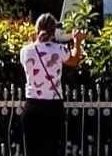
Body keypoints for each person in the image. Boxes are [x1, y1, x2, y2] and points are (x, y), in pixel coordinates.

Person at [20, 13, 84, 156]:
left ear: (36, 29)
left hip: (32, 106)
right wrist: (77, 41)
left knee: (33, 151)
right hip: (53, 107)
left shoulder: (25, 51)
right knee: (54, 150)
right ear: (53, 31)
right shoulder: (59, 49)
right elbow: (74, 60)